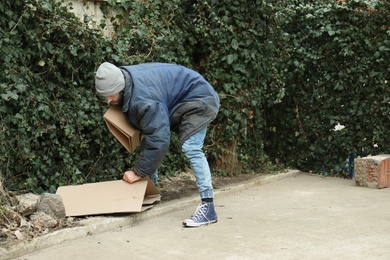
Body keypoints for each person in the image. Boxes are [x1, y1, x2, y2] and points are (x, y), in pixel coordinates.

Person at [95, 62, 220, 227]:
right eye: (104, 95)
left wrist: (137, 172)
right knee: (151, 134)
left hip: (199, 99)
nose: (108, 100)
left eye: (111, 94)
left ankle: (208, 207)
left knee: (191, 147)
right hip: (182, 98)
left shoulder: (144, 100)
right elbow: (152, 133)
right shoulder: (124, 79)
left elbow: (160, 141)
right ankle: (150, 195)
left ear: (121, 87)